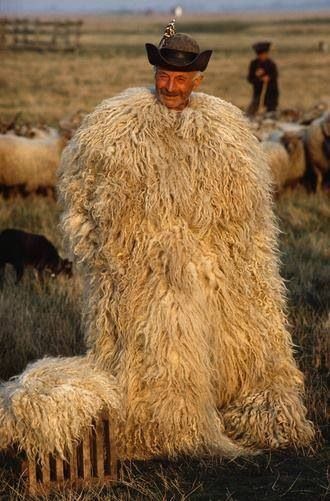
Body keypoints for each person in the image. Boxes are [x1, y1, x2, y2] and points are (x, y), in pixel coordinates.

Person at [57, 22, 314, 460]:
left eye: (180, 78)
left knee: (233, 348)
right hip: (141, 272)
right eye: (163, 76)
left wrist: (223, 255)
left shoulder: (224, 130)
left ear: (197, 79)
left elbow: (249, 210)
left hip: (213, 268)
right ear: (153, 71)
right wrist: (113, 255)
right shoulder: (113, 129)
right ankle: (160, 429)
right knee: (150, 354)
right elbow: (82, 199)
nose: (170, 86)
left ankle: (227, 411)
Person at [247, 41, 279, 116]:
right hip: (258, 93)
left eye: (264, 54)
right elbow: (250, 79)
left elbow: (275, 75)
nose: (262, 56)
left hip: (271, 93)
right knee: (251, 112)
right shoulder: (254, 64)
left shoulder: (271, 64)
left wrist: (268, 78)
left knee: (271, 113)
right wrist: (258, 78)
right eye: (260, 55)